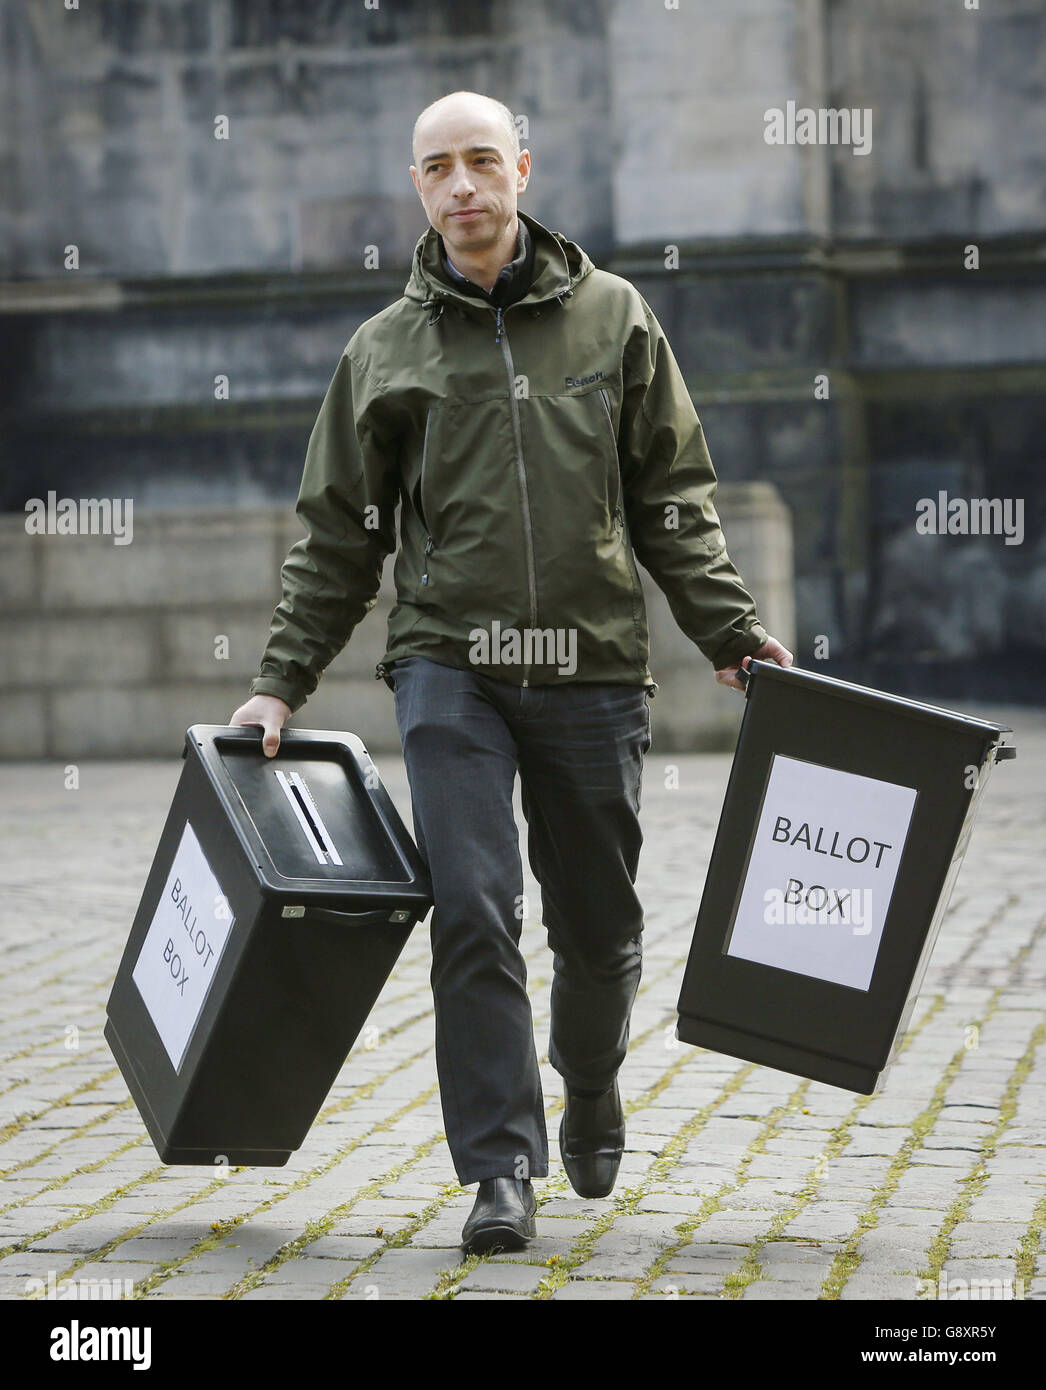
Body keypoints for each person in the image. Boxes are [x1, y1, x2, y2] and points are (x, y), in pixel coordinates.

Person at [229, 90, 793, 1255]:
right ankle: (499, 1169)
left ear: (522, 169)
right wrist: (279, 681)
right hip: (450, 668)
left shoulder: (615, 320)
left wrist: (730, 634)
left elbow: (671, 502)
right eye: (438, 168)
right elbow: (340, 534)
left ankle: (588, 1078)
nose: (463, 187)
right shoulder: (383, 352)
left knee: (599, 931)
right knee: (473, 911)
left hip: (591, 667)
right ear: (418, 189)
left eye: (482, 161)